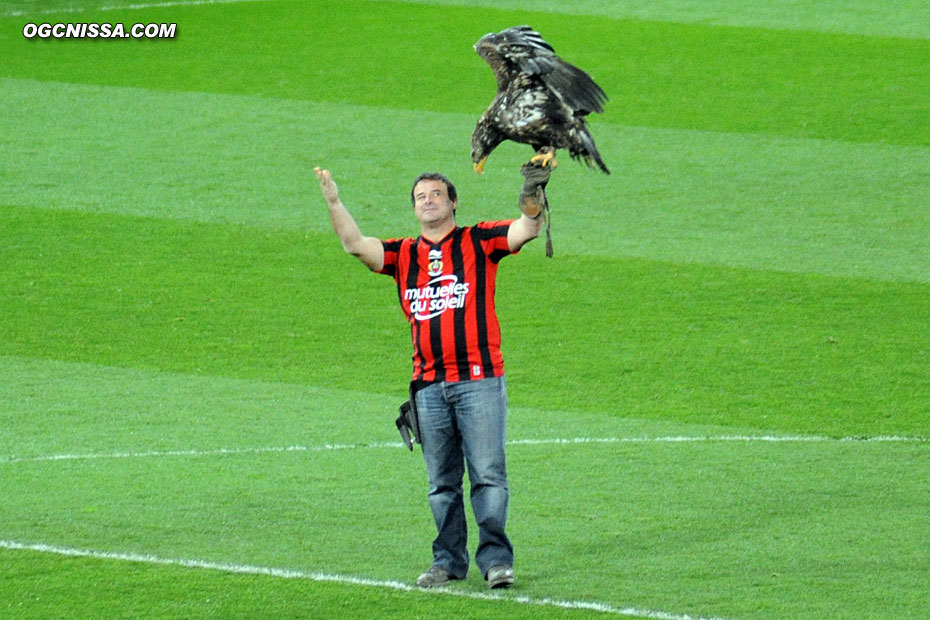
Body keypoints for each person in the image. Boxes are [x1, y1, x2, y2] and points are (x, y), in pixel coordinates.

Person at [313, 151, 552, 589]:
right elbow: (355, 245)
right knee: (441, 484)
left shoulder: (480, 241)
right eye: (420, 197)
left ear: (453, 203)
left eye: (436, 194)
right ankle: (448, 561)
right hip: (428, 386)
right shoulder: (404, 254)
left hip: (478, 380)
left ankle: (496, 561)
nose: (428, 201)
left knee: (487, 476)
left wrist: (531, 197)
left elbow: (526, 229)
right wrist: (333, 201)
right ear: (414, 207)